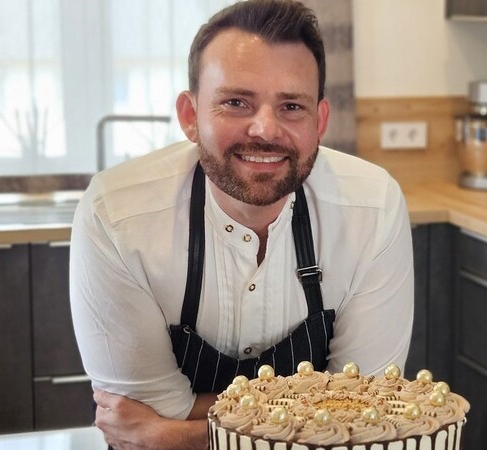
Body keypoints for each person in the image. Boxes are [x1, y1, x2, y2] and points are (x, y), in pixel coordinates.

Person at [69, 1, 414, 449]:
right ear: (190, 117)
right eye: (236, 102)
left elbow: (365, 415)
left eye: (291, 106)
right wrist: (316, 420)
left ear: (320, 121)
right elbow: (144, 406)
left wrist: (183, 438)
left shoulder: (373, 208)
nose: (264, 129)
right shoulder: (115, 217)